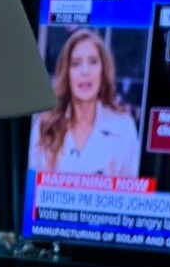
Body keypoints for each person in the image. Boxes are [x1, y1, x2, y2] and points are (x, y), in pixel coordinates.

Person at [29, 28, 141, 178]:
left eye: (93, 62)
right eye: (76, 64)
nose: (85, 71)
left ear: (103, 71)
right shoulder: (45, 127)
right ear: (67, 73)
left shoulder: (124, 128)